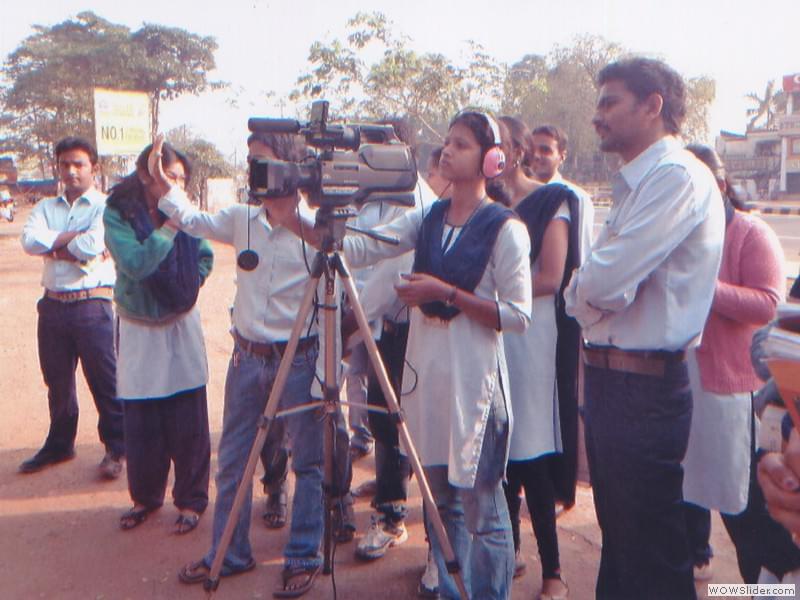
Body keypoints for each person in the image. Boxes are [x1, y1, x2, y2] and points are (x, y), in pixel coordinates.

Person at [275, 109, 533, 599]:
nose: (448, 150)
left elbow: (518, 315)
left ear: (491, 160)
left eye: (461, 143)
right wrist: (298, 222)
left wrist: (446, 292)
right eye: (448, 142)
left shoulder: (506, 229)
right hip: (427, 379)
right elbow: (362, 248)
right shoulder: (428, 216)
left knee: (485, 512)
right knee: (441, 505)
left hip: (475, 385)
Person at [564, 57, 726, 599]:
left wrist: (588, 292)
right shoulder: (639, 182)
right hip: (613, 383)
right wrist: (590, 292)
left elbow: (601, 282)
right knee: (623, 545)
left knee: (651, 556)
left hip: (645, 388)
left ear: (653, 105)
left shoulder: (676, 177)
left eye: (610, 102)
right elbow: (593, 286)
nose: (597, 117)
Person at [156, 131, 329, 598]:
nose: (252, 171)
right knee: (233, 461)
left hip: (301, 361)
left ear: (290, 170)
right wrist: (165, 184)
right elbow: (192, 219)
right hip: (247, 360)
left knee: (308, 463)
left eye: (262, 163)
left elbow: (357, 266)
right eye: (250, 162)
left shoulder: (318, 228)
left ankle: (302, 555)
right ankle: (229, 554)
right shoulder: (240, 219)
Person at [679, 144, 785, 582]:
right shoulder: (679, 234)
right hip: (684, 387)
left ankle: (769, 587)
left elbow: (767, 303)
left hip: (731, 391)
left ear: (720, 185)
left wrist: (706, 287)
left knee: (743, 510)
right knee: (692, 494)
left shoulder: (749, 233)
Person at [103, 142, 213, 533]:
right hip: (138, 326)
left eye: (182, 179)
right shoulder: (119, 212)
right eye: (169, 176)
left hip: (180, 323)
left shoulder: (183, 208)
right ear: (147, 174)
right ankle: (145, 498)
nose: (175, 185)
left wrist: (188, 283)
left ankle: (191, 501)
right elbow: (135, 264)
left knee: (189, 417)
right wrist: (169, 228)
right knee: (142, 418)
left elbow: (205, 255)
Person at [499, 115, 581, 600]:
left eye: (501, 145)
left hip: (532, 335)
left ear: (519, 149)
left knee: (530, 449)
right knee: (502, 452)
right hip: (492, 332)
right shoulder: (486, 204)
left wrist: (486, 294)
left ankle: (554, 571)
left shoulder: (554, 201)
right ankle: (509, 554)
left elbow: (552, 276)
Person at [19, 136, 124, 478]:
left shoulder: (106, 207)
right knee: (58, 381)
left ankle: (116, 449)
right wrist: (72, 242)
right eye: (65, 164)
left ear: (94, 167)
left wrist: (54, 245)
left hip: (92, 304)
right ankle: (60, 444)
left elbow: (95, 242)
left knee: (104, 380)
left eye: (79, 164)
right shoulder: (45, 208)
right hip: (52, 306)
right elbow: (29, 240)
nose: (71, 170)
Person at [529, 124, 595, 262]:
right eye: (532, 149)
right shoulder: (520, 195)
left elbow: (582, 253)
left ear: (562, 156)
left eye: (545, 150)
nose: (536, 155)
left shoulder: (576, 197)